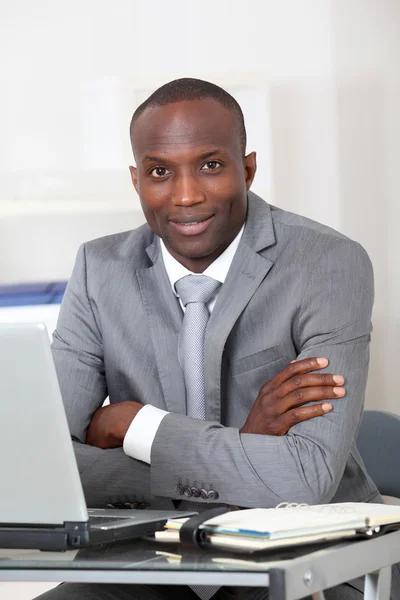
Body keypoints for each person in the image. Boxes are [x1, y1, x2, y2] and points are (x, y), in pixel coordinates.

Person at [35, 78, 393, 600]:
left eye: (210, 165)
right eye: (160, 171)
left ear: (246, 168)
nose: (186, 195)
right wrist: (246, 442)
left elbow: (304, 478)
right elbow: (50, 471)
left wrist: (139, 427)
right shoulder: (99, 269)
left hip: (306, 557)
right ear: (136, 180)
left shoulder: (327, 264)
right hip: (157, 555)